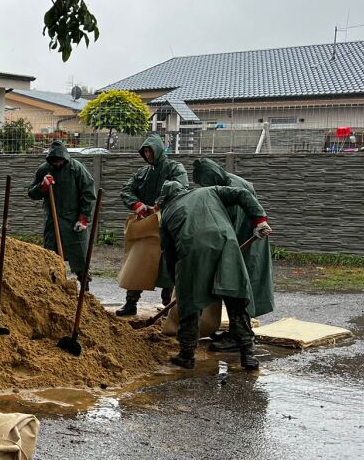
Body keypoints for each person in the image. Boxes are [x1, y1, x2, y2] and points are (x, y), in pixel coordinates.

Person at [155, 180, 272, 372]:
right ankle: (248, 356)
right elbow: (243, 194)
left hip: (192, 254)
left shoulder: (167, 213)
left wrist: (179, 283)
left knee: (190, 306)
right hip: (227, 247)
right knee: (236, 302)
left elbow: (168, 252)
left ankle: (186, 355)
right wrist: (259, 220)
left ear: (165, 199)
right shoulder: (209, 191)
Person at [191, 158, 275, 351]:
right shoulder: (227, 180)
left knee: (235, 289)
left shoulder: (233, 189)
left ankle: (240, 339)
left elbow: (229, 225)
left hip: (244, 241)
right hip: (243, 239)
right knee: (235, 287)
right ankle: (237, 333)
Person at [116, 132, 189, 316]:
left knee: (168, 265)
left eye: (150, 151)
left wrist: (160, 204)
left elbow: (181, 188)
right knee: (137, 262)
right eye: (145, 151)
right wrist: (137, 205)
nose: (148, 155)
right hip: (146, 224)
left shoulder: (175, 168)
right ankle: (131, 302)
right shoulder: (143, 173)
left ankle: (167, 306)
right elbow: (126, 189)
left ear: (158, 150)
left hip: (168, 223)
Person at [27, 140, 96, 279]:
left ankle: (84, 285)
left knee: (80, 257)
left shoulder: (76, 169)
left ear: (65, 158)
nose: (57, 163)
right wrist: (43, 186)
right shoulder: (44, 170)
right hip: (52, 221)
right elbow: (32, 193)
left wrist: (83, 218)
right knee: (51, 257)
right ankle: (54, 287)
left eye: (60, 160)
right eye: (54, 161)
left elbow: (88, 194)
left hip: (73, 220)